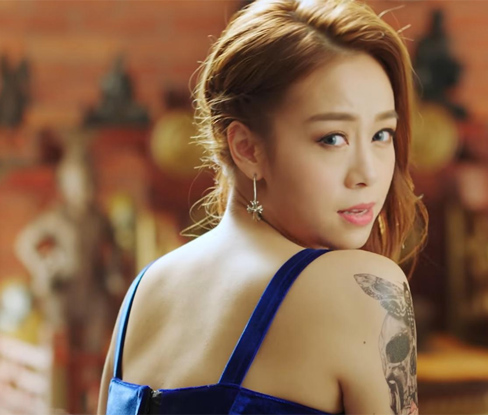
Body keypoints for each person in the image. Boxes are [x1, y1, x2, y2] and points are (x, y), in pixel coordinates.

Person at [97, 0, 428, 413]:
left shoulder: (145, 290)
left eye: (382, 134)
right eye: (332, 138)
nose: (368, 173)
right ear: (247, 148)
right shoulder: (361, 286)